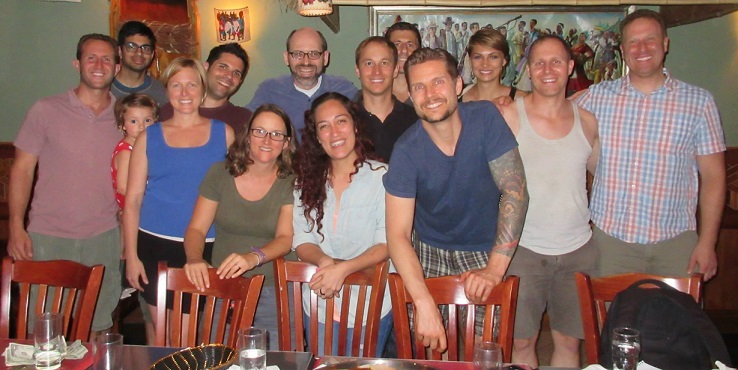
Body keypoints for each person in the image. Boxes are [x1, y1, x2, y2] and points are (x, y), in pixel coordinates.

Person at [384, 48, 529, 352]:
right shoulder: (406, 150)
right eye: (419, 87)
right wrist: (423, 303)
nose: (430, 94)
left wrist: (494, 269)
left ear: (458, 85)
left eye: (438, 82)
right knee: (429, 345)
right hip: (427, 251)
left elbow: (514, 190)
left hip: (482, 248)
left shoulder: (486, 118)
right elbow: (397, 235)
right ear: (410, 94)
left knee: (486, 349)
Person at [574, 9, 726, 282]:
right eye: (633, 41)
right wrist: (508, 99)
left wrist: (707, 243)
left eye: (650, 39)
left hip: (675, 246)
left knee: (676, 324)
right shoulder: (598, 96)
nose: (641, 48)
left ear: (665, 44)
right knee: (610, 324)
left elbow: (714, 178)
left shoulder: (699, 102)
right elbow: (549, 108)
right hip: (610, 244)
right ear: (622, 49)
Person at [8, 33, 123, 336]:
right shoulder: (45, 110)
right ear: (77, 64)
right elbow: (21, 170)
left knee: (98, 326)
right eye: (91, 58)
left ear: (117, 67)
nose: (99, 65)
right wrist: (16, 226)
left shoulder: (127, 117)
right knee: (43, 328)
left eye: (107, 58)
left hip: (104, 237)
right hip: (48, 237)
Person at [497, 35, 599, 368]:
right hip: (523, 251)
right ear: (528, 69)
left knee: (569, 344)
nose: (547, 69)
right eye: (538, 62)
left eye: (556, 61)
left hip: (577, 250)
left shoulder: (588, 121)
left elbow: (601, 178)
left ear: (570, 67)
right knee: (522, 343)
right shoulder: (509, 116)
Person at [123, 57, 235, 329]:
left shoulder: (225, 134)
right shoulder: (149, 137)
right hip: (154, 245)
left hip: (206, 246)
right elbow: (133, 199)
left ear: (203, 88)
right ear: (167, 90)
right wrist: (131, 256)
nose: (184, 93)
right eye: (176, 85)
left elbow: (236, 193)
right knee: (164, 337)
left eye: (191, 85)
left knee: (195, 336)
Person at [183, 104, 296, 351]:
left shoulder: (291, 181)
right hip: (224, 284)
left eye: (276, 134)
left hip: (273, 288)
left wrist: (252, 258)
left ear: (286, 143)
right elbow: (196, 229)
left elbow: (286, 238)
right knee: (214, 358)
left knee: (276, 363)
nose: (267, 140)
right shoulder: (220, 173)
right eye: (260, 131)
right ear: (247, 134)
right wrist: (194, 258)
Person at [292, 92, 393, 356]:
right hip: (318, 302)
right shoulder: (305, 181)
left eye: (341, 121)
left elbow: (387, 243)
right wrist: (325, 261)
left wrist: (344, 269)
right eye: (323, 126)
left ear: (355, 125)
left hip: (370, 302)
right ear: (316, 136)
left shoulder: (382, 177)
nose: (334, 132)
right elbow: (302, 240)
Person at [246, 27, 357, 137]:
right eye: (298, 54)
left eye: (314, 54)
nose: (306, 62)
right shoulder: (269, 91)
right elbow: (245, 125)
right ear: (286, 58)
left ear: (325, 58)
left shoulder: (344, 90)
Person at [160, 43, 252, 132]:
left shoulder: (244, 120)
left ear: (240, 81)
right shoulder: (168, 112)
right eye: (223, 67)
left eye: (236, 73)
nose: (229, 76)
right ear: (206, 67)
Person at [353, 36, 418, 162]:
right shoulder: (345, 120)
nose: (376, 71)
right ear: (357, 70)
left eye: (384, 63)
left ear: (395, 70)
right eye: (369, 63)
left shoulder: (415, 121)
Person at [111, 93, 159, 211]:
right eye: (134, 121)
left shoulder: (146, 147)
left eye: (147, 120)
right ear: (122, 125)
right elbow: (123, 187)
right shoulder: (126, 153)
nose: (142, 126)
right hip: (135, 209)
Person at [461, 29, 527, 102]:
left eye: (493, 57)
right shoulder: (455, 101)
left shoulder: (522, 101)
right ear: (470, 61)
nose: (485, 64)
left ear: (504, 61)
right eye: (478, 57)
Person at [112, 21, 168, 105]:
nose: (139, 53)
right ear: (120, 51)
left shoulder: (161, 92)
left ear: (152, 54)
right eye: (131, 47)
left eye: (145, 48)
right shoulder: (106, 89)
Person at [384, 22, 422, 105]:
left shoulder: (428, 96)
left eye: (410, 45)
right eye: (397, 44)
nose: (404, 50)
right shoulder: (370, 96)